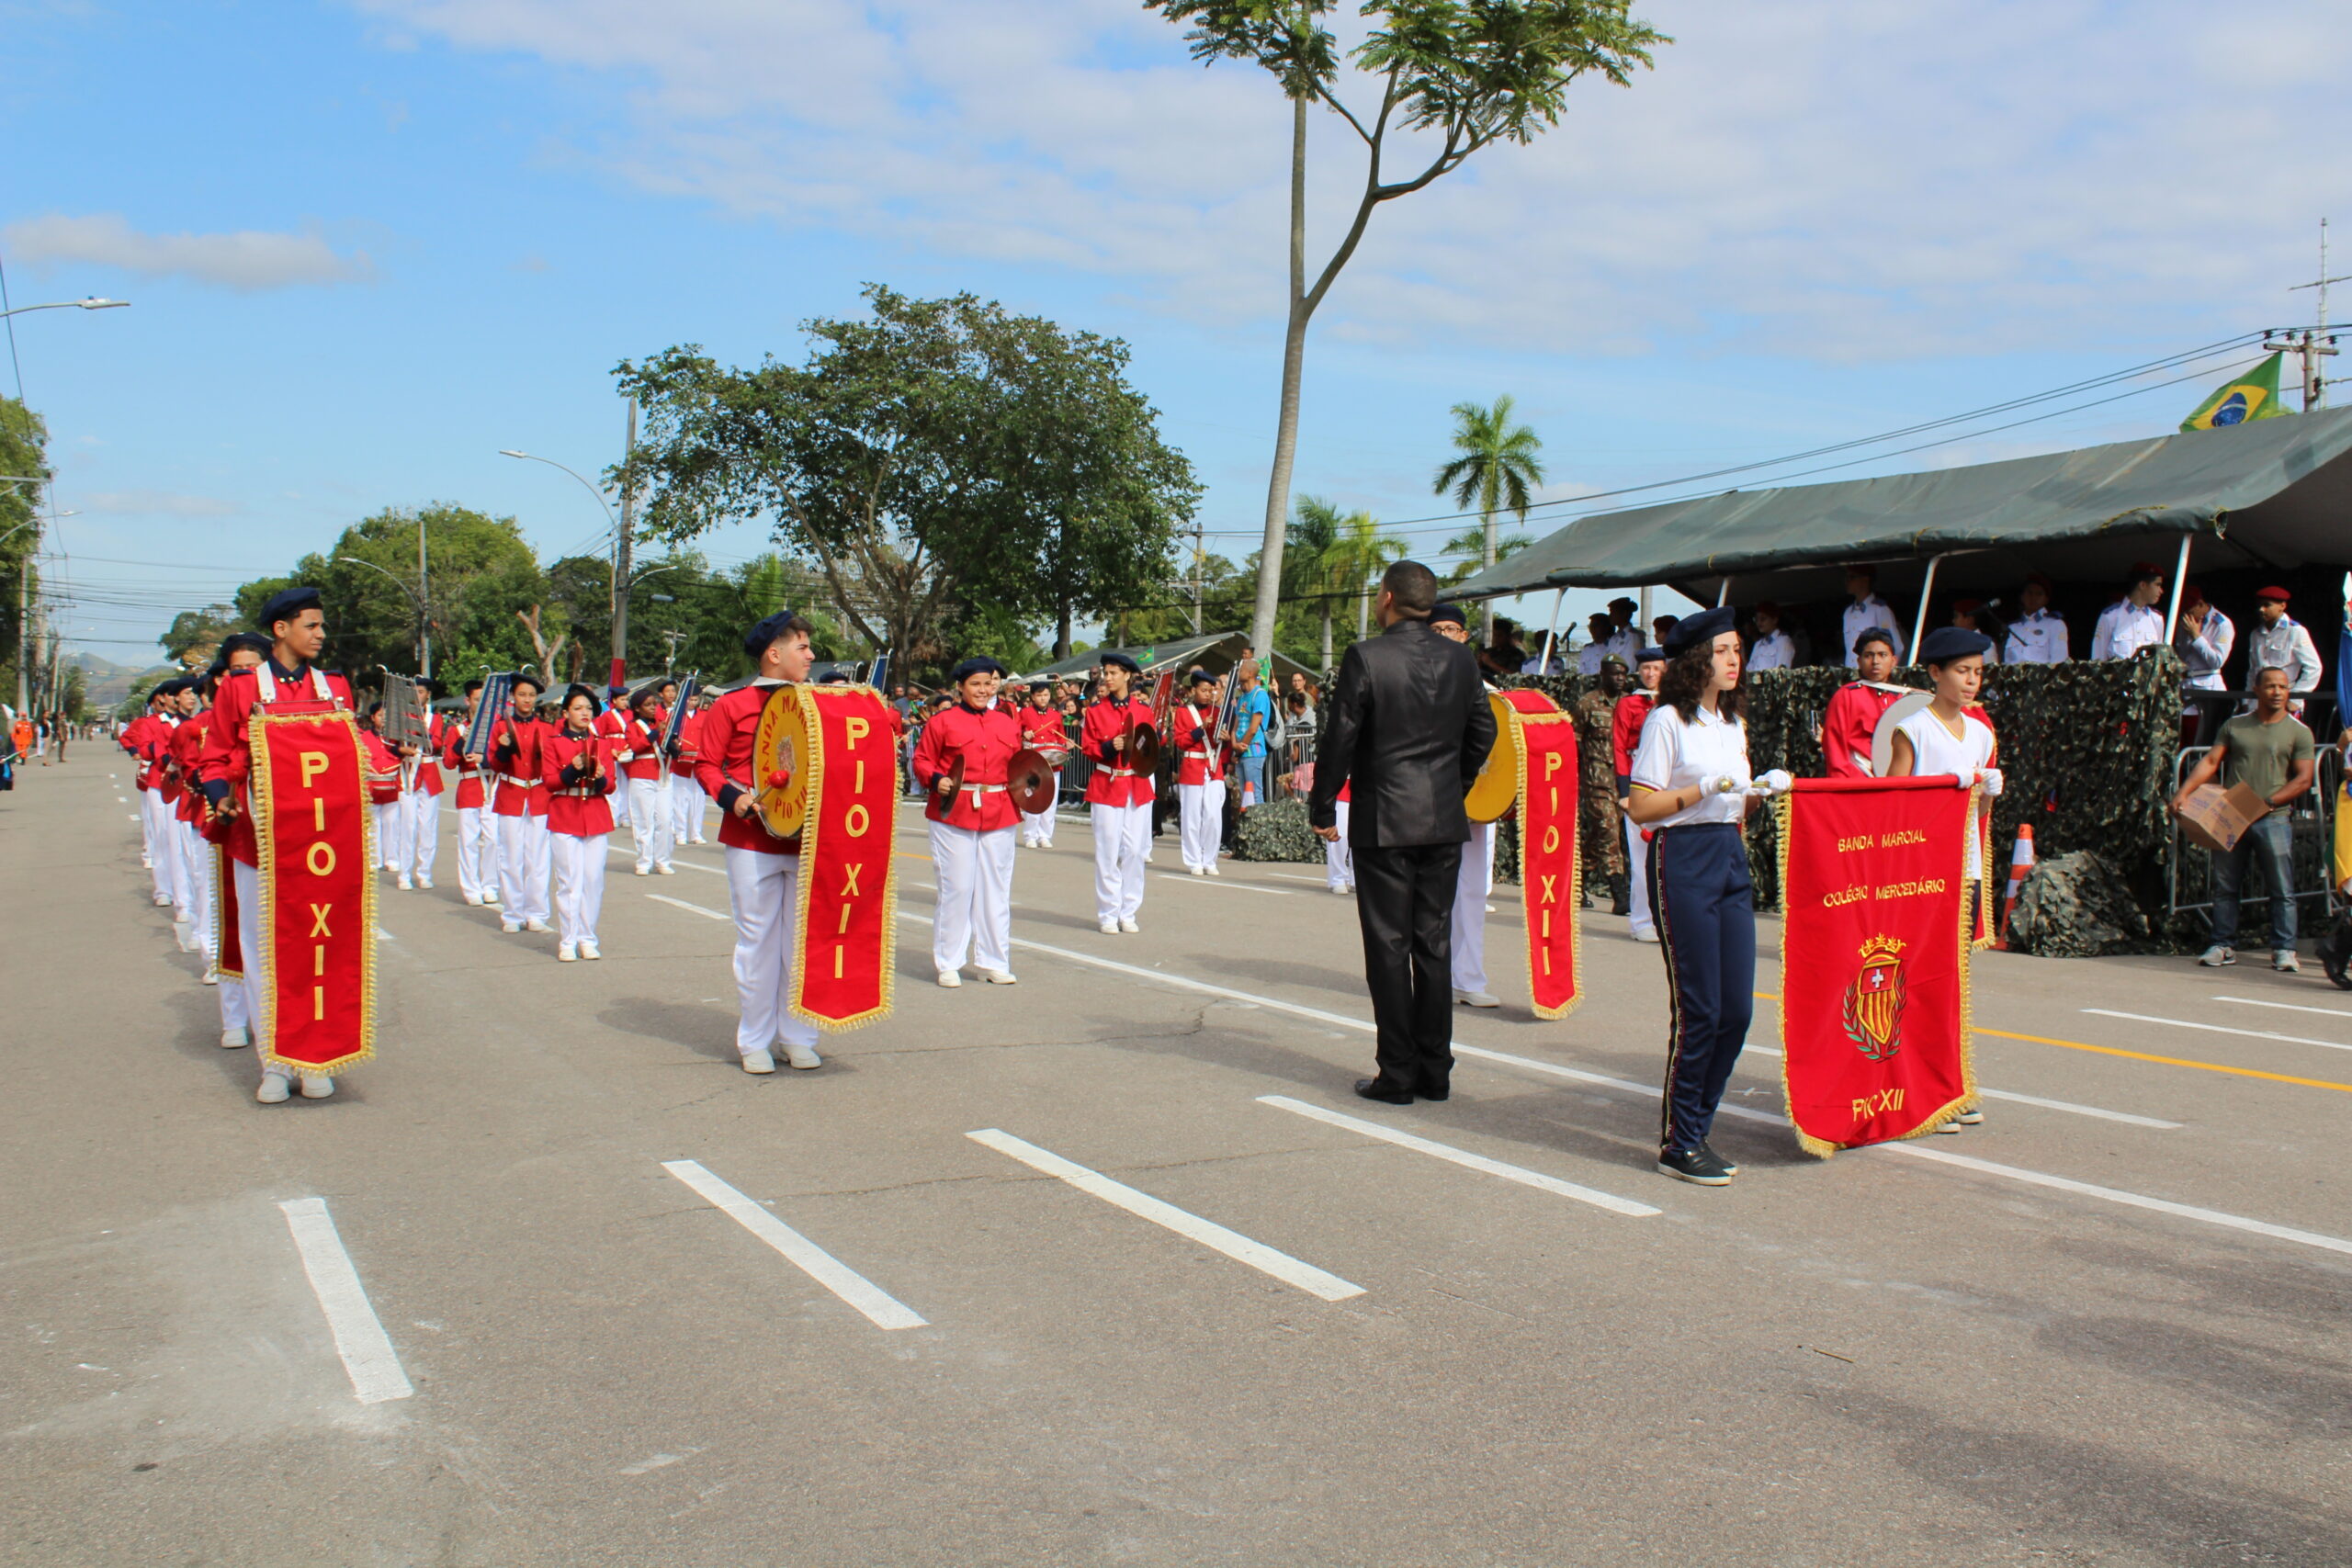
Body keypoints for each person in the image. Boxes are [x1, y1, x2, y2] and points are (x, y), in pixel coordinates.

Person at [1308, 561, 1495, 1104]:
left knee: (1388, 947)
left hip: (1384, 817)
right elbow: (1483, 730)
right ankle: (1436, 1070)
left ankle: (1398, 1072)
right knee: (1433, 945)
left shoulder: (1367, 655)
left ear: (1387, 598)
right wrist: (1453, 784)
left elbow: (1340, 738)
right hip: (1440, 817)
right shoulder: (1461, 658)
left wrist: (1324, 804)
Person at [1626, 605, 1791, 1185]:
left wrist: (1758, 793)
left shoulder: (1731, 725)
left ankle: (1699, 1124)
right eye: (1724, 651)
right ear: (1697, 658)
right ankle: (1681, 1140)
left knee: (1738, 1012)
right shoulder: (1667, 721)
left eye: (1738, 651)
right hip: (1683, 858)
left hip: (1726, 853)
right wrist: (1700, 788)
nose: (1734, 660)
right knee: (1701, 1011)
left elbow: (1733, 802)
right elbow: (1641, 807)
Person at [194, 586, 362, 1104]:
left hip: (323, 843)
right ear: (280, 631)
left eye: (321, 625)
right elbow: (216, 756)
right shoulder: (242, 689)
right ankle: (273, 1063)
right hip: (258, 840)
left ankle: (318, 1056)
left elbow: (353, 752)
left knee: (322, 945)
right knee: (265, 949)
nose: (320, 634)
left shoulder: (334, 687)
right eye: (311, 625)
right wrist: (221, 795)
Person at [695, 610, 826, 1073]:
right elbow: (706, 765)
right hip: (751, 839)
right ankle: (754, 1039)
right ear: (774, 654)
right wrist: (735, 797)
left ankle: (797, 1035)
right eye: (802, 647)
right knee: (757, 941)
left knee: (801, 943)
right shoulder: (730, 705)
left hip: (808, 840)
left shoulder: (820, 704)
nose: (811, 656)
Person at [1885, 624, 2004, 1132]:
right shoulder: (1913, 729)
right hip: (1922, 870)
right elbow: (1890, 800)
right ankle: (1917, 1088)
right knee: (1920, 978)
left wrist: (1989, 791)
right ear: (1935, 674)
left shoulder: (1981, 732)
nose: (1971, 681)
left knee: (1952, 981)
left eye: (1977, 672)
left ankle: (1949, 1086)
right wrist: (1939, 787)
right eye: (1961, 671)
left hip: (1965, 867)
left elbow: (1979, 807)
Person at [2175, 665, 2316, 973]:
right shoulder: (2235, 725)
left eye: (2282, 686)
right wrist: (2183, 791)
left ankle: (2284, 949)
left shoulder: (2298, 731)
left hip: (2273, 817)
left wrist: (2268, 802)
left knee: (2282, 888)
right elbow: (2211, 761)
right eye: (2270, 686)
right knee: (2226, 885)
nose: (2277, 692)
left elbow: (2304, 779)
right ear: (2256, 689)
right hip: (2232, 815)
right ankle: (2222, 944)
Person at [913, 656, 1023, 986]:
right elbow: (921, 759)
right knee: (957, 887)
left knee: (995, 889)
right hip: (954, 810)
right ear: (960, 687)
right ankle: (949, 961)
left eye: (988, 684)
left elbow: (1020, 763)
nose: (982, 690)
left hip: (999, 807)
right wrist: (935, 779)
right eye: (974, 684)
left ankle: (994, 961)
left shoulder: (1007, 722)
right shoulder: (942, 722)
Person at [1429, 603, 1500, 1008]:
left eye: (1452, 629)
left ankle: (1468, 978)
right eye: (1435, 629)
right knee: (1427, 896)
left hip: (1473, 806)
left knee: (1471, 891)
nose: (1444, 636)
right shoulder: (1412, 681)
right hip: (1423, 805)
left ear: (1464, 637)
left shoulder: (1490, 693)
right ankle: (1429, 974)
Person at [541, 684, 620, 962]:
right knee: (568, 882)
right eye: (578, 708)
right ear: (566, 713)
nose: (584, 713)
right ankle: (568, 939)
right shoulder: (554, 742)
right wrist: (571, 769)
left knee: (593, 880)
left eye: (588, 708)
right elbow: (549, 782)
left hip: (595, 813)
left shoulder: (602, 744)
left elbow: (609, 786)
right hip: (565, 812)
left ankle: (588, 937)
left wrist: (598, 776)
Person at [1083, 650, 1157, 933]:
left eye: (1114, 673)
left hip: (1136, 785)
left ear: (1128, 675)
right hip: (1106, 784)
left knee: (1136, 851)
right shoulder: (1095, 711)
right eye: (1106, 673)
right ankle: (1107, 913)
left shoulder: (1143, 711)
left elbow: (1150, 747)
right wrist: (1107, 747)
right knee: (1107, 850)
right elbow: (1089, 749)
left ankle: (1129, 910)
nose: (1108, 678)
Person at [489, 673, 557, 936]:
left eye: (531, 695)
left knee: (538, 858)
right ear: (512, 698)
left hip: (538, 796)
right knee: (510, 857)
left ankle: (537, 913)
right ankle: (512, 913)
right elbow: (494, 764)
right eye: (522, 694)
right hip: (511, 794)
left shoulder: (546, 728)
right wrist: (504, 749)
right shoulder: (500, 727)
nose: (526, 699)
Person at [1613, 648, 1666, 942]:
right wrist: (1624, 791)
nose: (1650, 674)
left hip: (1668, 784)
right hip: (1638, 782)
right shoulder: (1629, 703)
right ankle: (1642, 921)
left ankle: (1666, 918)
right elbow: (1619, 746)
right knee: (1640, 855)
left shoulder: (1673, 703)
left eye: (1656, 668)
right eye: (1645, 668)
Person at [1575, 655, 1630, 913]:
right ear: (1603, 674)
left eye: (1623, 674)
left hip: (1622, 781)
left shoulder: (1630, 704)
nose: (1619, 678)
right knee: (1609, 831)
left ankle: (1577, 885)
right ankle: (1620, 896)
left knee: (1600, 835)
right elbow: (1574, 740)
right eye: (1614, 673)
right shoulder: (1588, 703)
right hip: (1596, 780)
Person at [1821, 628, 1907, 779]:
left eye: (1882, 655)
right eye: (1868, 655)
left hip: (1894, 781)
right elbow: (1834, 745)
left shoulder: (1901, 699)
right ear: (1859, 661)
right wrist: (1841, 785)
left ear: (1893, 661)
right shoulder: (1847, 695)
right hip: (1858, 780)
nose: (1875, 661)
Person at [445, 679, 502, 908]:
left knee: (494, 840)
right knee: (468, 841)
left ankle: (490, 884)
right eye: (478, 700)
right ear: (468, 701)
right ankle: (470, 887)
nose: (482, 705)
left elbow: (503, 759)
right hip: (470, 787)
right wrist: (462, 741)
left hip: (492, 785)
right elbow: (449, 762)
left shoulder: (497, 727)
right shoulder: (456, 730)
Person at [1170, 669, 1227, 875]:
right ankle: (1194, 859)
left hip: (1213, 768)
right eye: (1204, 690)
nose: (1208, 694)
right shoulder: (1184, 713)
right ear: (1194, 690)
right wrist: (1201, 728)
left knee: (1213, 815)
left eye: (1211, 691)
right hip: (1192, 768)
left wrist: (1226, 738)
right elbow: (1180, 741)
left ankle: (1210, 859)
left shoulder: (1219, 712)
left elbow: (1222, 746)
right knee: (1191, 816)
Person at [619, 684, 674, 876]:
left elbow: (670, 747)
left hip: (663, 776)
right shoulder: (633, 727)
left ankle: (663, 860)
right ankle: (644, 861)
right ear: (637, 708)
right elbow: (635, 746)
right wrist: (654, 734)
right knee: (644, 821)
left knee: (665, 820)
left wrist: (673, 746)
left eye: (654, 704)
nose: (652, 708)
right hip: (641, 776)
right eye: (647, 705)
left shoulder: (661, 724)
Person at [2246, 587, 2324, 699]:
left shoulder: (2294, 631)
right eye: (2259, 605)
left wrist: (2296, 698)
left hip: (2284, 697)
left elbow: (2314, 667)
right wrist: (2247, 700)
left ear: (2282, 606)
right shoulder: (2256, 634)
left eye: (2267, 605)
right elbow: (2253, 670)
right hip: (2259, 698)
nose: (2261, 609)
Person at [1017, 682, 1065, 848]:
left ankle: (1044, 835)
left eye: (1045, 695)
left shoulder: (1055, 715)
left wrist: (1066, 743)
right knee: (1033, 796)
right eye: (1039, 695)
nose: (1043, 698)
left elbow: (1061, 738)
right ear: (1032, 697)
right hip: (1033, 760)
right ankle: (1030, 835)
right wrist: (1024, 734)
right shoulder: (1025, 713)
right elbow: (1015, 733)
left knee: (1051, 801)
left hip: (1052, 762)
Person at [2089, 562, 2166, 660]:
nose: (2161, 591)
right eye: (2157, 585)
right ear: (2142, 585)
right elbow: (2098, 659)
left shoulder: (2156, 619)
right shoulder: (2110, 616)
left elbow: (2157, 660)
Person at [2173, 583, 2234, 697]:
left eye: (2189, 612)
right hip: (2185, 686)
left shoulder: (2222, 624)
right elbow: (2181, 655)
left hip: (2208, 687)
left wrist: (2196, 636)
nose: (2186, 617)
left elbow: (2217, 661)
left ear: (2200, 604)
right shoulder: (2184, 622)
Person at [1841, 565, 1905, 667]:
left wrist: (1887, 673)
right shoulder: (1848, 613)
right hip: (1851, 674)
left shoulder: (1880, 610)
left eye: (1852, 577)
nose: (1847, 581)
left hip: (1872, 676)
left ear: (1865, 580)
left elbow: (1897, 647)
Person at [670, 691, 710, 846]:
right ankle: (680, 833)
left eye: (695, 699)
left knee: (698, 800)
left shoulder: (704, 715)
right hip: (681, 763)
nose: (692, 702)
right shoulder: (676, 716)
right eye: (690, 699)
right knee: (680, 800)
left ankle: (696, 833)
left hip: (698, 762)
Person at [1233, 659, 1273, 809]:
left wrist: (1239, 748)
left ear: (1250, 673)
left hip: (1253, 752)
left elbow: (1253, 728)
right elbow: (1235, 725)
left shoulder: (1260, 695)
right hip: (1240, 751)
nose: (1239, 672)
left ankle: (1260, 829)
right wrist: (1234, 745)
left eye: (1241, 669)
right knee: (1244, 794)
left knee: (1255, 793)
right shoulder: (1243, 696)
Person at [2003, 574, 2068, 665]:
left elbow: (2059, 662)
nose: (2033, 598)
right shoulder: (2012, 627)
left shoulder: (2055, 624)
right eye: (2029, 593)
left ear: (2046, 599)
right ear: (2022, 597)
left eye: (2039, 594)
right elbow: (2006, 662)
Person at [1746, 603, 1794, 671]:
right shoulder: (1758, 644)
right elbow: (1749, 669)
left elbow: (1781, 672)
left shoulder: (1783, 641)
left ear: (1774, 620)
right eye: (1756, 619)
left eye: (1763, 619)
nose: (1759, 623)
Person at [1576, 612, 1618, 677]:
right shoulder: (1587, 649)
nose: (1592, 629)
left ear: (1606, 628)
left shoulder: (1614, 646)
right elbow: (1581, 672)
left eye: (1596, 626)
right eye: (1590, 626)